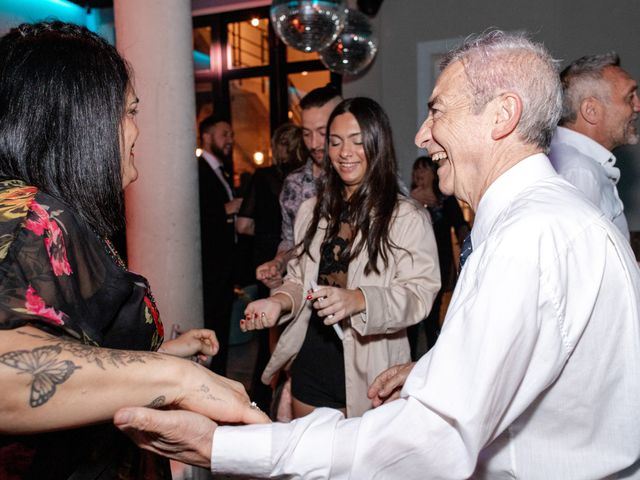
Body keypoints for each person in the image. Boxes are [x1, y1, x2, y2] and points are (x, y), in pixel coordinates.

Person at [114, 31, 640, 478]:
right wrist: (437, 371)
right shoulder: (544, 221)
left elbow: (430, 440)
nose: (422, 134)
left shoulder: (533, 236)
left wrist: (221, 446)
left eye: (437, 110)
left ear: (502, 114)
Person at [0, 21, 268, 479]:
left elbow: (68, 346)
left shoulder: (54, 211)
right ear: (80, 123)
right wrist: (178, 379)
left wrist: (158, 356)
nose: (138, 133)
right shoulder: (33, 217)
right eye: (129, 113)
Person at [241, 97, 440, 419]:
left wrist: (360, 299)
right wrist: (278, 302)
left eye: (357, 142)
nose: (344, 152)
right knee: (311, 464)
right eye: (335, 142)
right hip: (313, 357)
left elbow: (420, 293)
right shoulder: (311, 210)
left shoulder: (405, 216)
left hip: (371, 362)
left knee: (361, 466)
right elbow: (298, 280)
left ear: (378, 144)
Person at [235, 123, 307, 411]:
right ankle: (290, 395)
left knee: (270, 333)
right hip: (300, 260)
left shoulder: (263, 176)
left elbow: (243, 224)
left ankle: (265, 399)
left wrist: (266, 233)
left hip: (269, 259)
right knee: (298, 330)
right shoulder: (308, 180)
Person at [255, 85, 342, 289]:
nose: (314, 144)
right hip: (305, 299)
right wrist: (278, 264)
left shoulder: (366, 177)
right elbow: (291, 242)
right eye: (306, 134)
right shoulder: (294, 183)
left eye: (322, 132)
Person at [549, 52, 640, 241]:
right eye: (629, 97)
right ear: (591, 110)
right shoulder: (579, 171)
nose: (637, 106)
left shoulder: (575, 164)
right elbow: (576, 262)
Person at [407, 156, 469, 355]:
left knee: (433, 313)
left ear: (433, 173)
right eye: (416, 170)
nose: (419, 174)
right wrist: (412, 202)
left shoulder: (445, 198)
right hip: (410, 264)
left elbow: (460, 225)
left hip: (439, 263)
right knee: (410, 316)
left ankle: (433, 358)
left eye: (424, 169)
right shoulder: (405, 199)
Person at [198, 114, 243, 375]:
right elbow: (195, 215)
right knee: (213, 327)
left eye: (231, 135)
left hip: (224, 267)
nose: (230, 140)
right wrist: (227, 209)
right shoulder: (199, 171)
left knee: (222, 328)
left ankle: (221, 376)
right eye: (224, 134)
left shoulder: (220, 170)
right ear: (206, 136)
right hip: (210, 269)